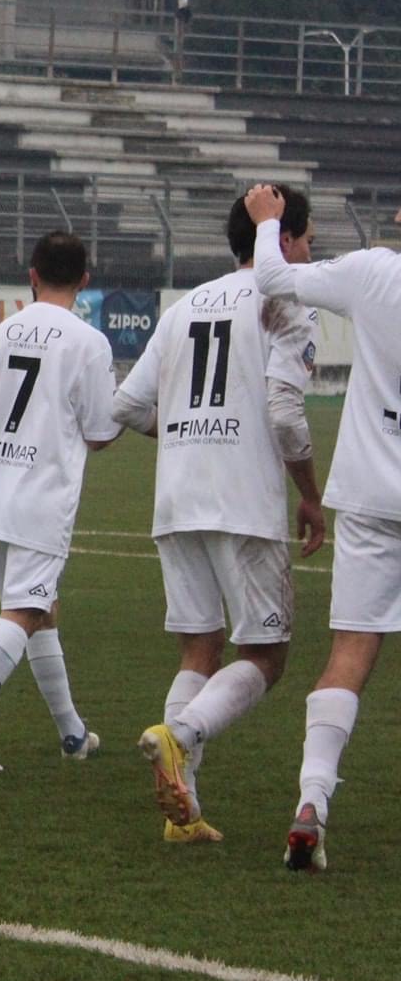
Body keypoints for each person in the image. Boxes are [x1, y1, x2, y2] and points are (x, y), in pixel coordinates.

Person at [115, 186, 323, 845]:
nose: (310, 250)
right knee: (265, 652)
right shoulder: (284, 301)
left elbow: (126, 405)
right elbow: (287, 418)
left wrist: (183, 433)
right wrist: (310, 493)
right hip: (243, 497)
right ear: (282, 241)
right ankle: (180, 734)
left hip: (177, 497)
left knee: (200, 647)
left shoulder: (184, 307)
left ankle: (185, 810)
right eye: (308, 237)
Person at [246, 183, 401, 871]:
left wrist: (269, 220)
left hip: (371, 492)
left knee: (350, 649)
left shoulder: (375, 272)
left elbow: (274, 276)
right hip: (370, 493)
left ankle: (312, 799)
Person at [0, 231, 120, 772]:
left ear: (31, 275)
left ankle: (72, 733)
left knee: (42, 608)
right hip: (44, 493)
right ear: (85, 280)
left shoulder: (2, 332)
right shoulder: (88, 341)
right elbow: (101, 433)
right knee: (27, 608)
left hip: (1, 486)